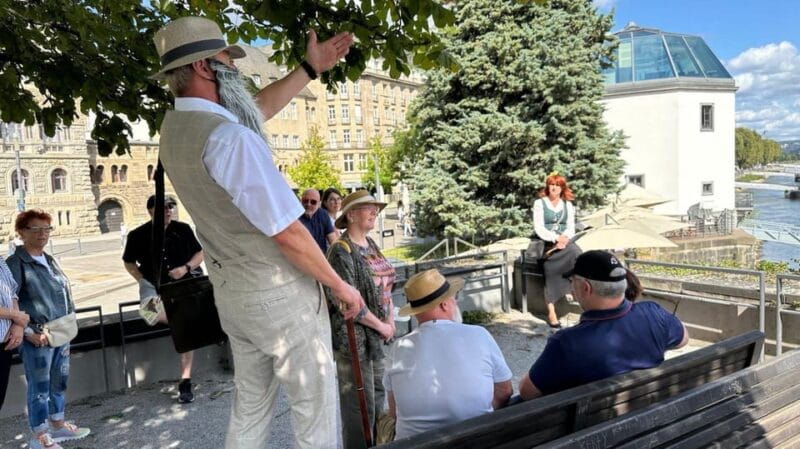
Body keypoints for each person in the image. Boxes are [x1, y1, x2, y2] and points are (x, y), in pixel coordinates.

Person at [151, 16, 363, 449]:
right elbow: (288, 233)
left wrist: (308, 69)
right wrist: (340, 285)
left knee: (250, 406)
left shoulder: (175, 129)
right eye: (228, 60)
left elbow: (254, 110)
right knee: (315, 413)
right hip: (279, 295)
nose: (237, 68)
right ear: (206, 68)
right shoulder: (230, 139)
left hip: (234, 295)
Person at [519, 250, 689, 400]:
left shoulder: (567, 343)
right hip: (649, 416)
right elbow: (683, 339)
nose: (571, 288)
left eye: (572, 281)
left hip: (596, 430)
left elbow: (527, 392)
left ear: (586, 288)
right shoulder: (653, 312)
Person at [383, 269, 513, 440]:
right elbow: (505, 391)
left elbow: (394, 413)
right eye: (454, 299)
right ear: (444, 304)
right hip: (476, 441)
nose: (456, 303)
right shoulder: (479, 334)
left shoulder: (399, 348)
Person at [6, 209, 90, 449]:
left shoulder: (48, 258)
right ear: (21, 232)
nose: (43, 234)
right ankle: (39, 437)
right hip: (39, 335)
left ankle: (57, 425)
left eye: (47, 229)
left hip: (60, 332)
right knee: (40, 386)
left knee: (59, 380)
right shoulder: (16, 263)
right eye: (36, 229)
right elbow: (9, 301)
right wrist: (29, 331)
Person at [325, 190, 396, 448]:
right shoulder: (341, 251)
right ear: (351, 214)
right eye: (369, 207)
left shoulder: (371, 244)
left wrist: (390, 319)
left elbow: (386, 287)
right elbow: (349, 304)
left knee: (377, 399)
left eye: (375, 208)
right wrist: (383, 326)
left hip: (377, 337)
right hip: (355, 341)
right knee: (359, 409)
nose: (374, 211)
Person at [122, 194, 204, 404]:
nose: (168, 211)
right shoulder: (138, 235)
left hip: (182, 284)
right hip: (153, 285)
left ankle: (185, 381)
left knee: (185, 328)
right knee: (149, 313)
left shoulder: (183, 229)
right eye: (163, 208)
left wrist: (185, 268)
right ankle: (182, 321)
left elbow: (199, 254)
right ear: (150, 211)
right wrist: (141, 280)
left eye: (170, 207)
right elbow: (129, 262)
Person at [532, 172, 582, 328]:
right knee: (550, 271)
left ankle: (574, 291)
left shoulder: (568, 205)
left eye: (557, 185)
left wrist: (564, 239)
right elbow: (539, 227)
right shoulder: (540, 203)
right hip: (546, 243)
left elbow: (570, 227)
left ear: (562, 188)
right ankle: (551, 312)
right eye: (552, 185)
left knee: (577, 253)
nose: (554, 188)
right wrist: (555, 239)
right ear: (548, 186)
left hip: (564, 243)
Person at [0, 255, 28, 410]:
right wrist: (15, 315)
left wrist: (17, 324)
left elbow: (12, 293)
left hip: (4, 342)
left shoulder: (0, 261)